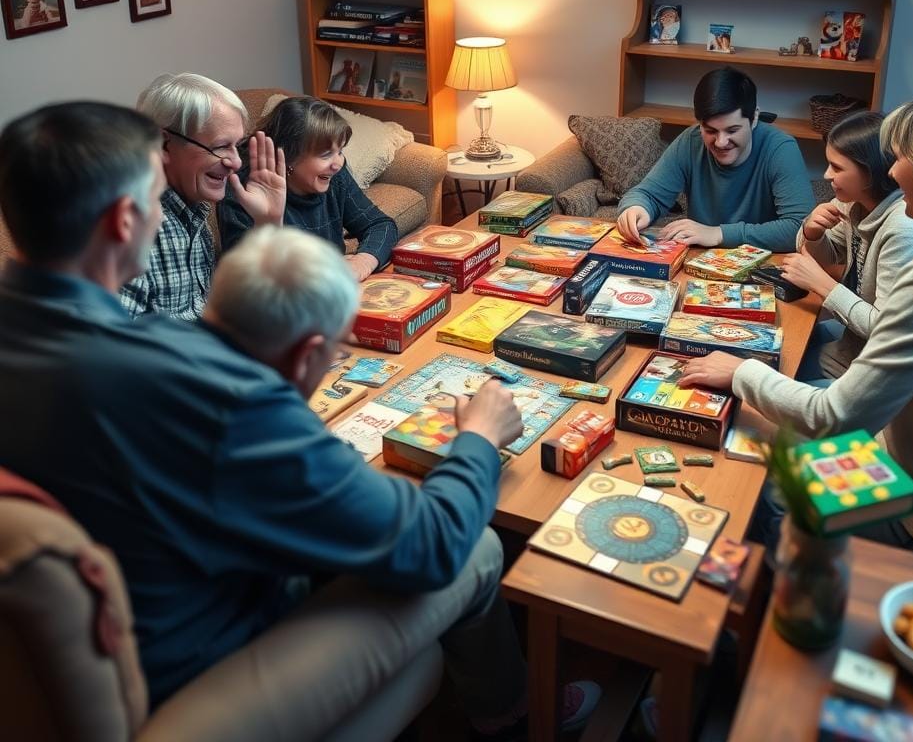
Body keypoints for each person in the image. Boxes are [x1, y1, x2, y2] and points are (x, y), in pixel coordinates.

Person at [0, 104, 599, 734]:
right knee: (474, 548)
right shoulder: (201, 386)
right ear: (125, 222)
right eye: (154, 199)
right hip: (197, 671)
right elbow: (431, 544)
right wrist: (478, 436)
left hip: (83, 661)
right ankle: (513, 719)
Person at [679, 87, 913, 566]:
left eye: (900, 157)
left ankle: (767, 631)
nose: (894, 171)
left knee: (765, 484)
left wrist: (740, 372)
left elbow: (835, 416)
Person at [778, 111, 913, 383]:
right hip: (850, 346)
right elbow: (829, 257)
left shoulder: (906, 230)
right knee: (776, 348)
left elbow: (887, 331)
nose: (827, 175)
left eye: (837, 167)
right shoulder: (854, 199)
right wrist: (813, 233)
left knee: (771, 403)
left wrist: (822, 284)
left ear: (871, 171)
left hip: (876, 374)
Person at [121, 72, 285, 320]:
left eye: (237, 145)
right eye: (220, 147)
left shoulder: (193, 211)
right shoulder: (133, 230)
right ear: (163, 144)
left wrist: (268, 222)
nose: (236, 162)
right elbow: (112, 349)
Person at [617, 67, 814, 250]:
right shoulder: (690, 141)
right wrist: (636, 208)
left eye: (732, 130)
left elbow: (801, 228)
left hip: (763, 264)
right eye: (710, 130)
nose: (720, 142)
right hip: (698, 261)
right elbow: (648, 194)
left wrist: (718, 234)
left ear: (754, 118)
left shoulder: (781, 148)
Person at [218, 95, 397, 282]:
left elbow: (380, 225)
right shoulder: (245, 192)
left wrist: (362, 262)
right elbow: (247, 282)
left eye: (340, 151)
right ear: (288, 156)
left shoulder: (334, 175)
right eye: (326, 154)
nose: (338, 163)